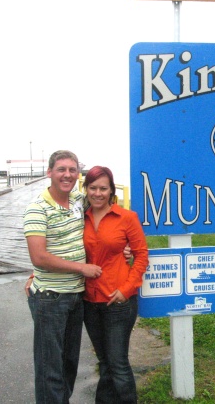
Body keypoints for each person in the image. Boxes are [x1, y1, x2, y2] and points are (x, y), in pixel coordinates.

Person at [24, 150, 102, 404]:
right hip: (50, 299)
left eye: (72, 170)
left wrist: (123, 245)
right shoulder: (38, 209)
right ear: (50, 173)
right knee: (50, 369)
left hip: (75, 297)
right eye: (61, 169)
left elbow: (107, 207)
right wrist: (82, 268)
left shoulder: (80, 200)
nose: (67, 175)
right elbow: (40, 257)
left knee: (69, 364)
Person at [82, 165, 149, 404]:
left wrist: (127, 290)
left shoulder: (126, 218)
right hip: (90, 301)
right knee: (104, 362)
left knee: (118, 363)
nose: (98, 193)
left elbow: (141, 256)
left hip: (118, 301)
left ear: (111, 191)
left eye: (103, 188)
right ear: (86, 189)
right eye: (93, 187)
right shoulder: (82, 218)